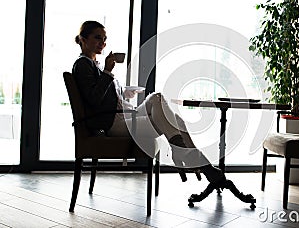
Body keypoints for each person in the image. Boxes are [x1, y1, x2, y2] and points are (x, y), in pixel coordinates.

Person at [72, 20, 225, 185]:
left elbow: (103, 94)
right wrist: (108, 71)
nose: (103, 43)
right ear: (83, 39)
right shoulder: (82, 65)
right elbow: (94, 98)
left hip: (123, 116)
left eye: (104, 38)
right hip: (113, 123)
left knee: (157, 98)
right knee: (171, 119)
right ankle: (198, 161)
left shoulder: (95, 65)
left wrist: (123, 92)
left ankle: (186, 154)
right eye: (97, 38)